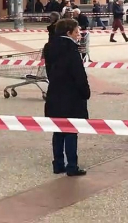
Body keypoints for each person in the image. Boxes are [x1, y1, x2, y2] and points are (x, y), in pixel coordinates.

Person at [43, 18, 89, 177]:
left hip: (55, 93)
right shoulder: (71, 50)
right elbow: (79, 75)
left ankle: (58, 164)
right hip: (72, 97)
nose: (79, 35)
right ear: (68, 33)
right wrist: (85, 92)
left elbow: (49, 72)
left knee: (57, 131)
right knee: (71, 132)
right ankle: (72, 166)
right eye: (76, 32)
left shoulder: (50, 48)